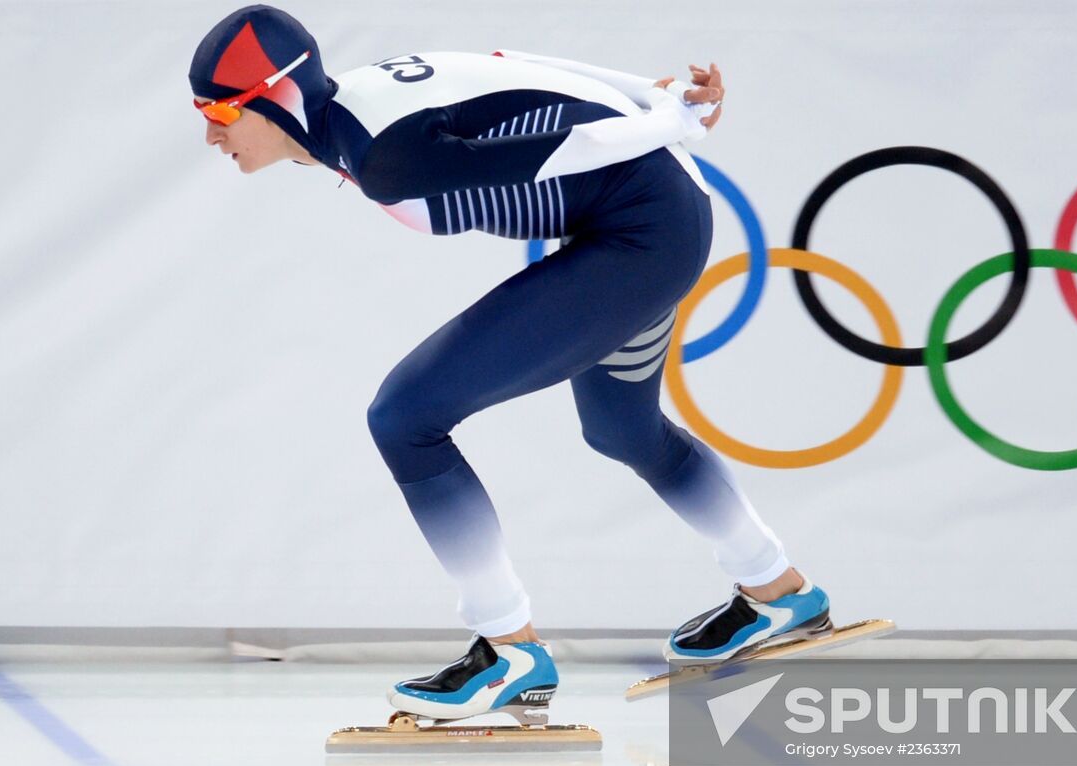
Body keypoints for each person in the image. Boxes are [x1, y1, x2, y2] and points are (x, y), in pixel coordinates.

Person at [189, 5, 832, 723]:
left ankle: (508, 650)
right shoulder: (349, 107)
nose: (210, 131)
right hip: (648, 221)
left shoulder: (384, 158)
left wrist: (671, 119)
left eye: (219, 109)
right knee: (622, 429)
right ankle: (779, 591)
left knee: (405, 417)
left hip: (642, 233)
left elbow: (568, 142)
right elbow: (505, 62)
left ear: (275, 96)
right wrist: (649, 92)